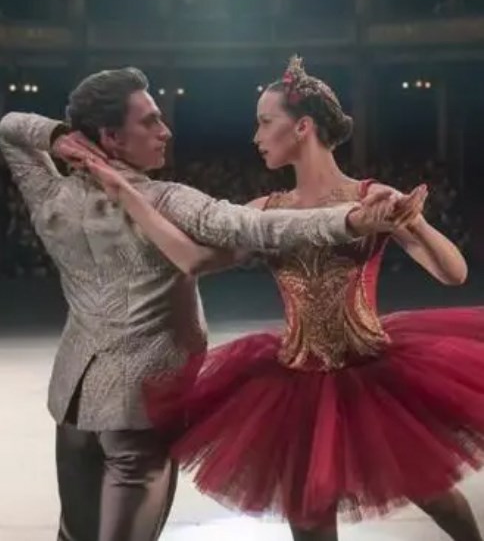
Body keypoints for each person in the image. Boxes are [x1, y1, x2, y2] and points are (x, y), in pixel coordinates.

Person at [85, 57, 484, 541]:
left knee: (439, 499)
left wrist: (413, 220)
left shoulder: (370, 197)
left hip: (374, 373)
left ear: (302, 127)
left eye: (264, 121)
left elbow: (453, 273)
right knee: (309, 521)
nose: (255, 136)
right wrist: (126, 193)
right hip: (296, 383)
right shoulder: (265, 211)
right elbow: (193, 258)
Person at [0, 66, 407, 541]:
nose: (165, 130)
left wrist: (58, 138)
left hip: (72, 401)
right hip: (141, 411)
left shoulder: (50, 195)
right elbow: (257, 227)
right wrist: (350, 221)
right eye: (150, 121)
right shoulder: (168, 200)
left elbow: (10, 127)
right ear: (111, 137)